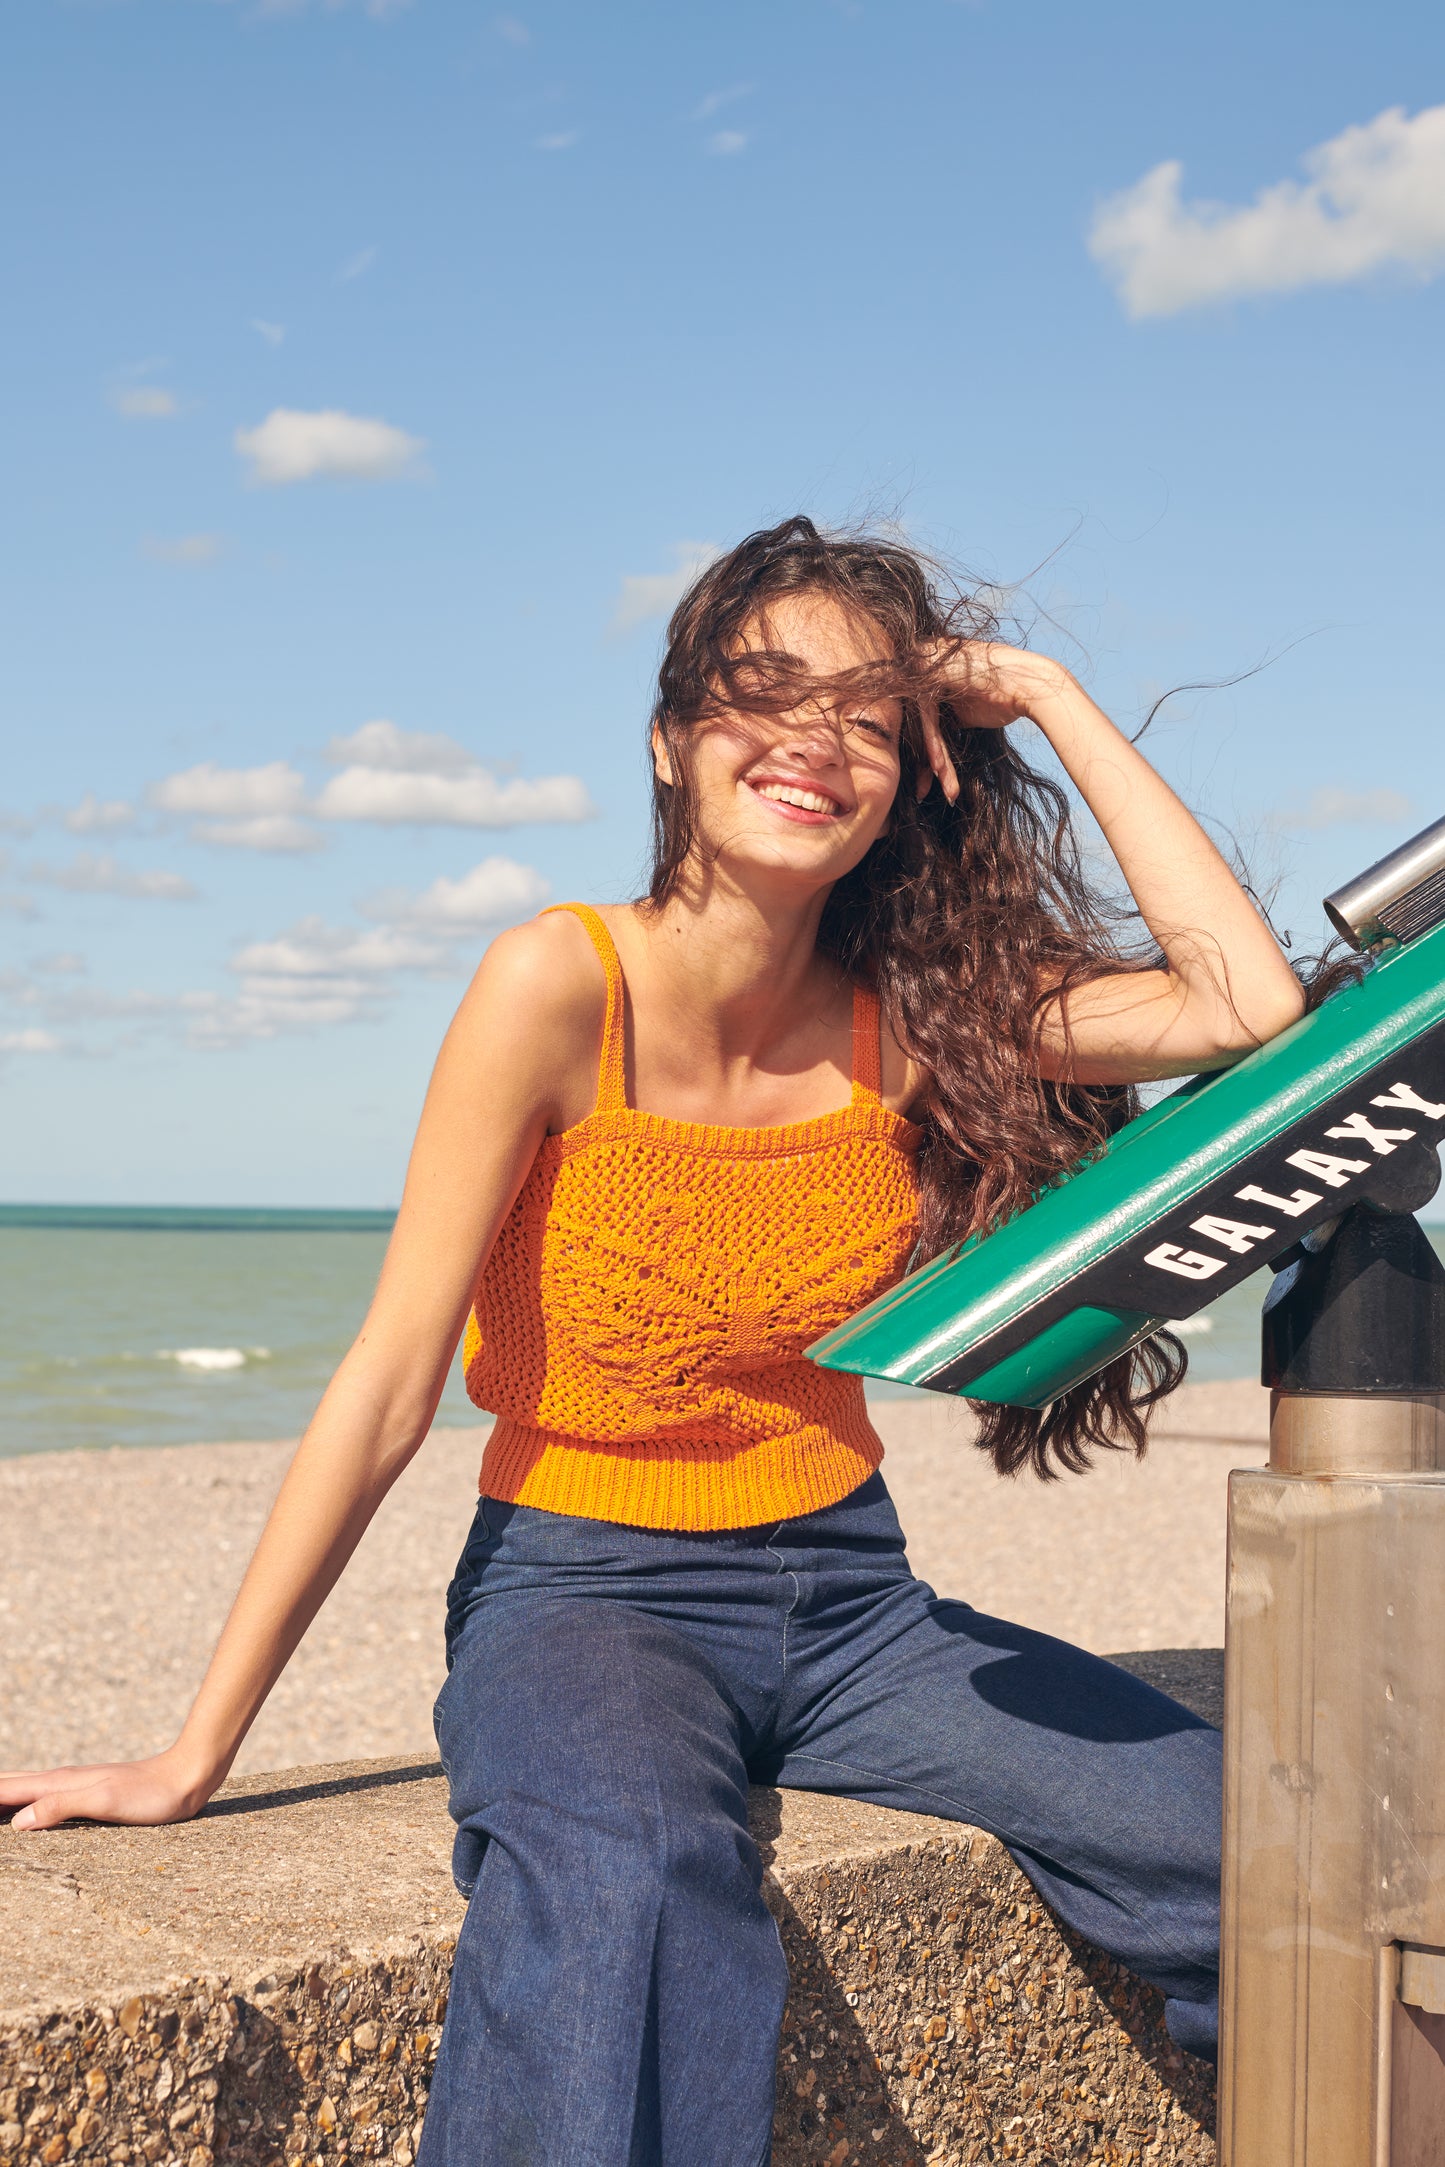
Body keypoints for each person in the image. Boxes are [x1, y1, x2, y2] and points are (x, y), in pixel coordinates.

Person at [2, 519, 1307, 2165]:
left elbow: (1240, 1008)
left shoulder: (910, 1010)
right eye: (763, 693)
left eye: (865, 717)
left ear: (915, 776)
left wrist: (1038, 693)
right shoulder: (558, 979)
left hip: (853, 1608)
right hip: (581, 1593)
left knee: (1254, 1844)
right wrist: (196, 1751)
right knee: (623, 1888)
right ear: (671, 738)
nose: (810, 743)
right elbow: (392, 1378)